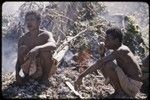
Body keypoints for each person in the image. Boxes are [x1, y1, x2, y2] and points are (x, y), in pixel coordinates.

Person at [74, 27, 143, 98]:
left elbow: (100, 63)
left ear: (116, 40)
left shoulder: (121, 50)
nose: (105, 41)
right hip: (129, 83)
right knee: (105, 64)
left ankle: (120, 93)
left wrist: (80, 76)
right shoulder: (118, 50)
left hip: (132, 85)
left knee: (108, 64)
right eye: (105, 38)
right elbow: (101, 63)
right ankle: (118, 91)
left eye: (108, 39)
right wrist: (102, 54)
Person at [15, 11, 57, 86]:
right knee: (22, 49)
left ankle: (45, 78)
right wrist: (17, 74)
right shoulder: (23, 39)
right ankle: (27, 76)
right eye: (27, 20)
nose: (29, 22)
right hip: (29, 69)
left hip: (44, 69)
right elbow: (18, 60)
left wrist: (38, 48)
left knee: (46, 52)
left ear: (38, 22)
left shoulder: (45, 34)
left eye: (32, 19)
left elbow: (53, 45)